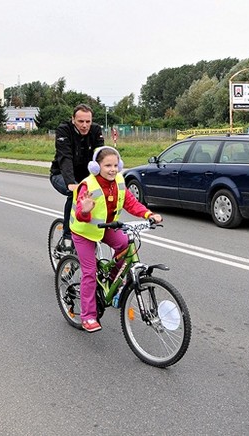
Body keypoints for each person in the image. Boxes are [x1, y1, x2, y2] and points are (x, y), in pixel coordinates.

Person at [70, 146, 162, 332]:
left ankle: (111, 283)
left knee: (126, 246)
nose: (112, 169)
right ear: (97, 167)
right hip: (84, 231)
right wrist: (85, 209)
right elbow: (80, 213)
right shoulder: (89, 185)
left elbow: (130, 202)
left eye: (115, 165)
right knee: (89, 272)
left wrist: (148, 214)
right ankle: (88, 316)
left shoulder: (119, 180)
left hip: (106, 227)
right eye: (107, 166)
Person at [49, 103, 105, 251]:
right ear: (73, 119)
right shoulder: (64, 130)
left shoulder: (96, 130)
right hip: (61, 174)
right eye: (81, 121)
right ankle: (67, 236)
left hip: (85, 177)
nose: (85, 125)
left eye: (88, 121)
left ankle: (89, 229)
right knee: (75, 193)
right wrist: (70, 183)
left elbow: (101, 156)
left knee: (97, 197)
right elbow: (65, 157)